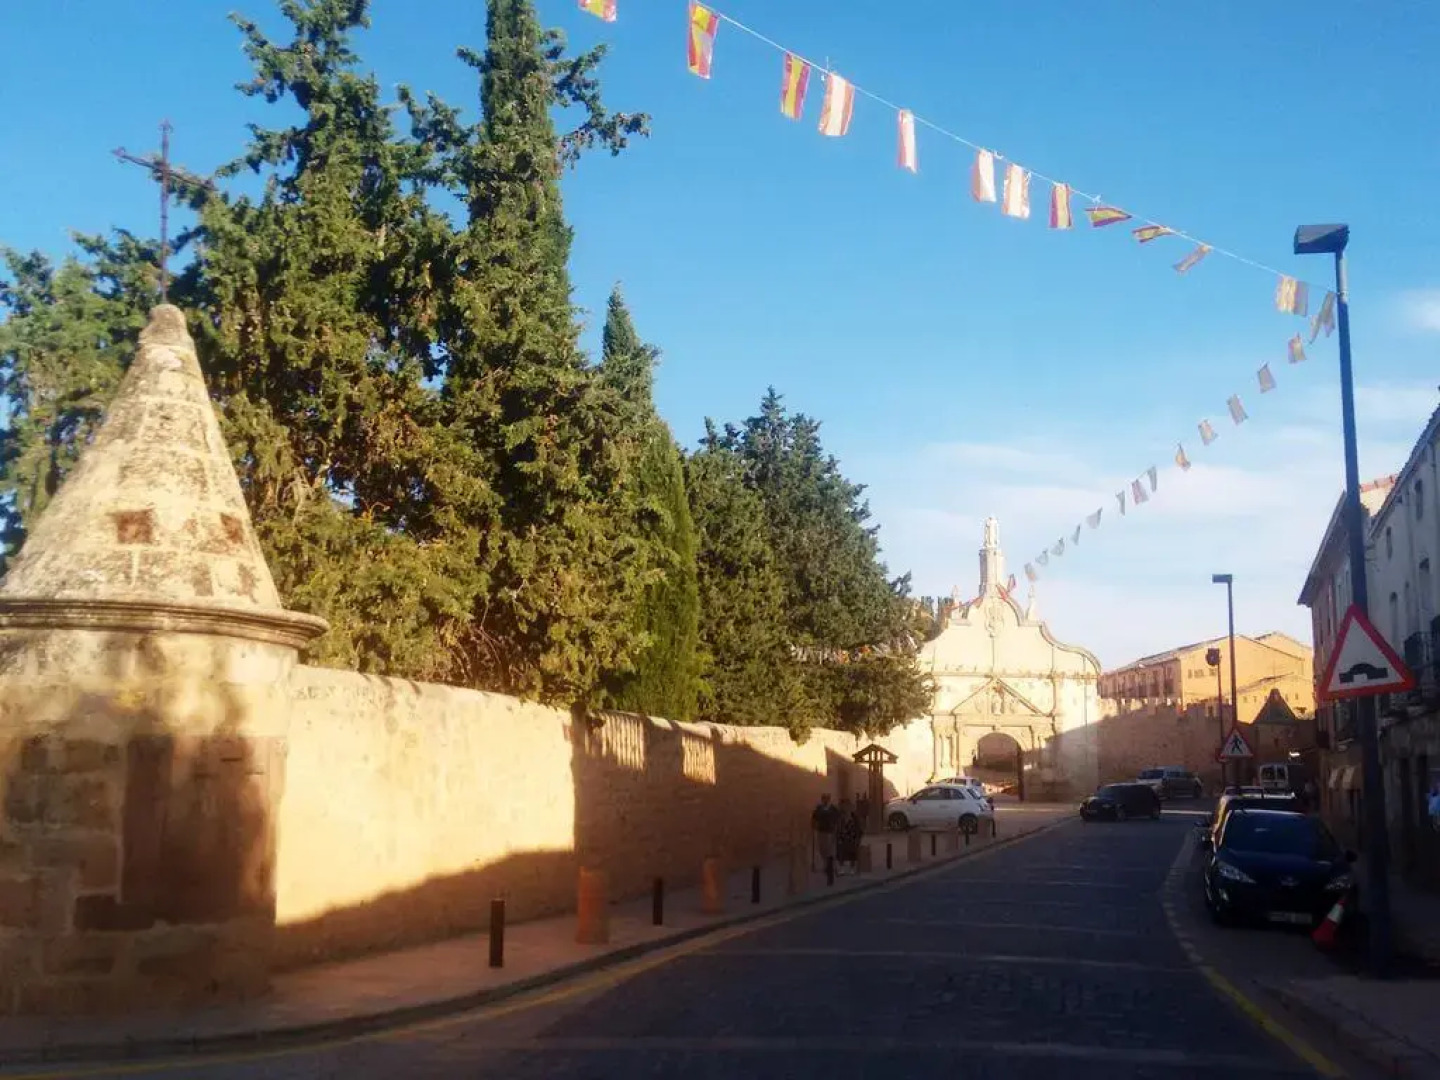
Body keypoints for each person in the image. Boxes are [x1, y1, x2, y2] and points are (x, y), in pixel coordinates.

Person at [811, 793, 840, 874]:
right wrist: (813, 824)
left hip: (830, 832)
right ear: (822, 800)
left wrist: (837, 827)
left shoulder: (833, 809)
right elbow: (814, 817)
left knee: (830, 849)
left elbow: (838, 818)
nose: (825, 800)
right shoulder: (819, 809)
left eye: (827, 799)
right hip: (821, 831)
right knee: (822, 849)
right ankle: (825, 864)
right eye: (824, 799)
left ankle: (831, 866)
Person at [836, 796, 863, 875]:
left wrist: (858, 837)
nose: (845, 807)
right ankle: (842, 868)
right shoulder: (840, 817)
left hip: (852, 837)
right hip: (842, 837)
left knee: (852, 853)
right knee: (841, 853)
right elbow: (837, 827)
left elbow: (859, 827)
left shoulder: (854, 816)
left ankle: (852, 868)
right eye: (843, 805)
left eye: (846, 805)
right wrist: (837, 836)